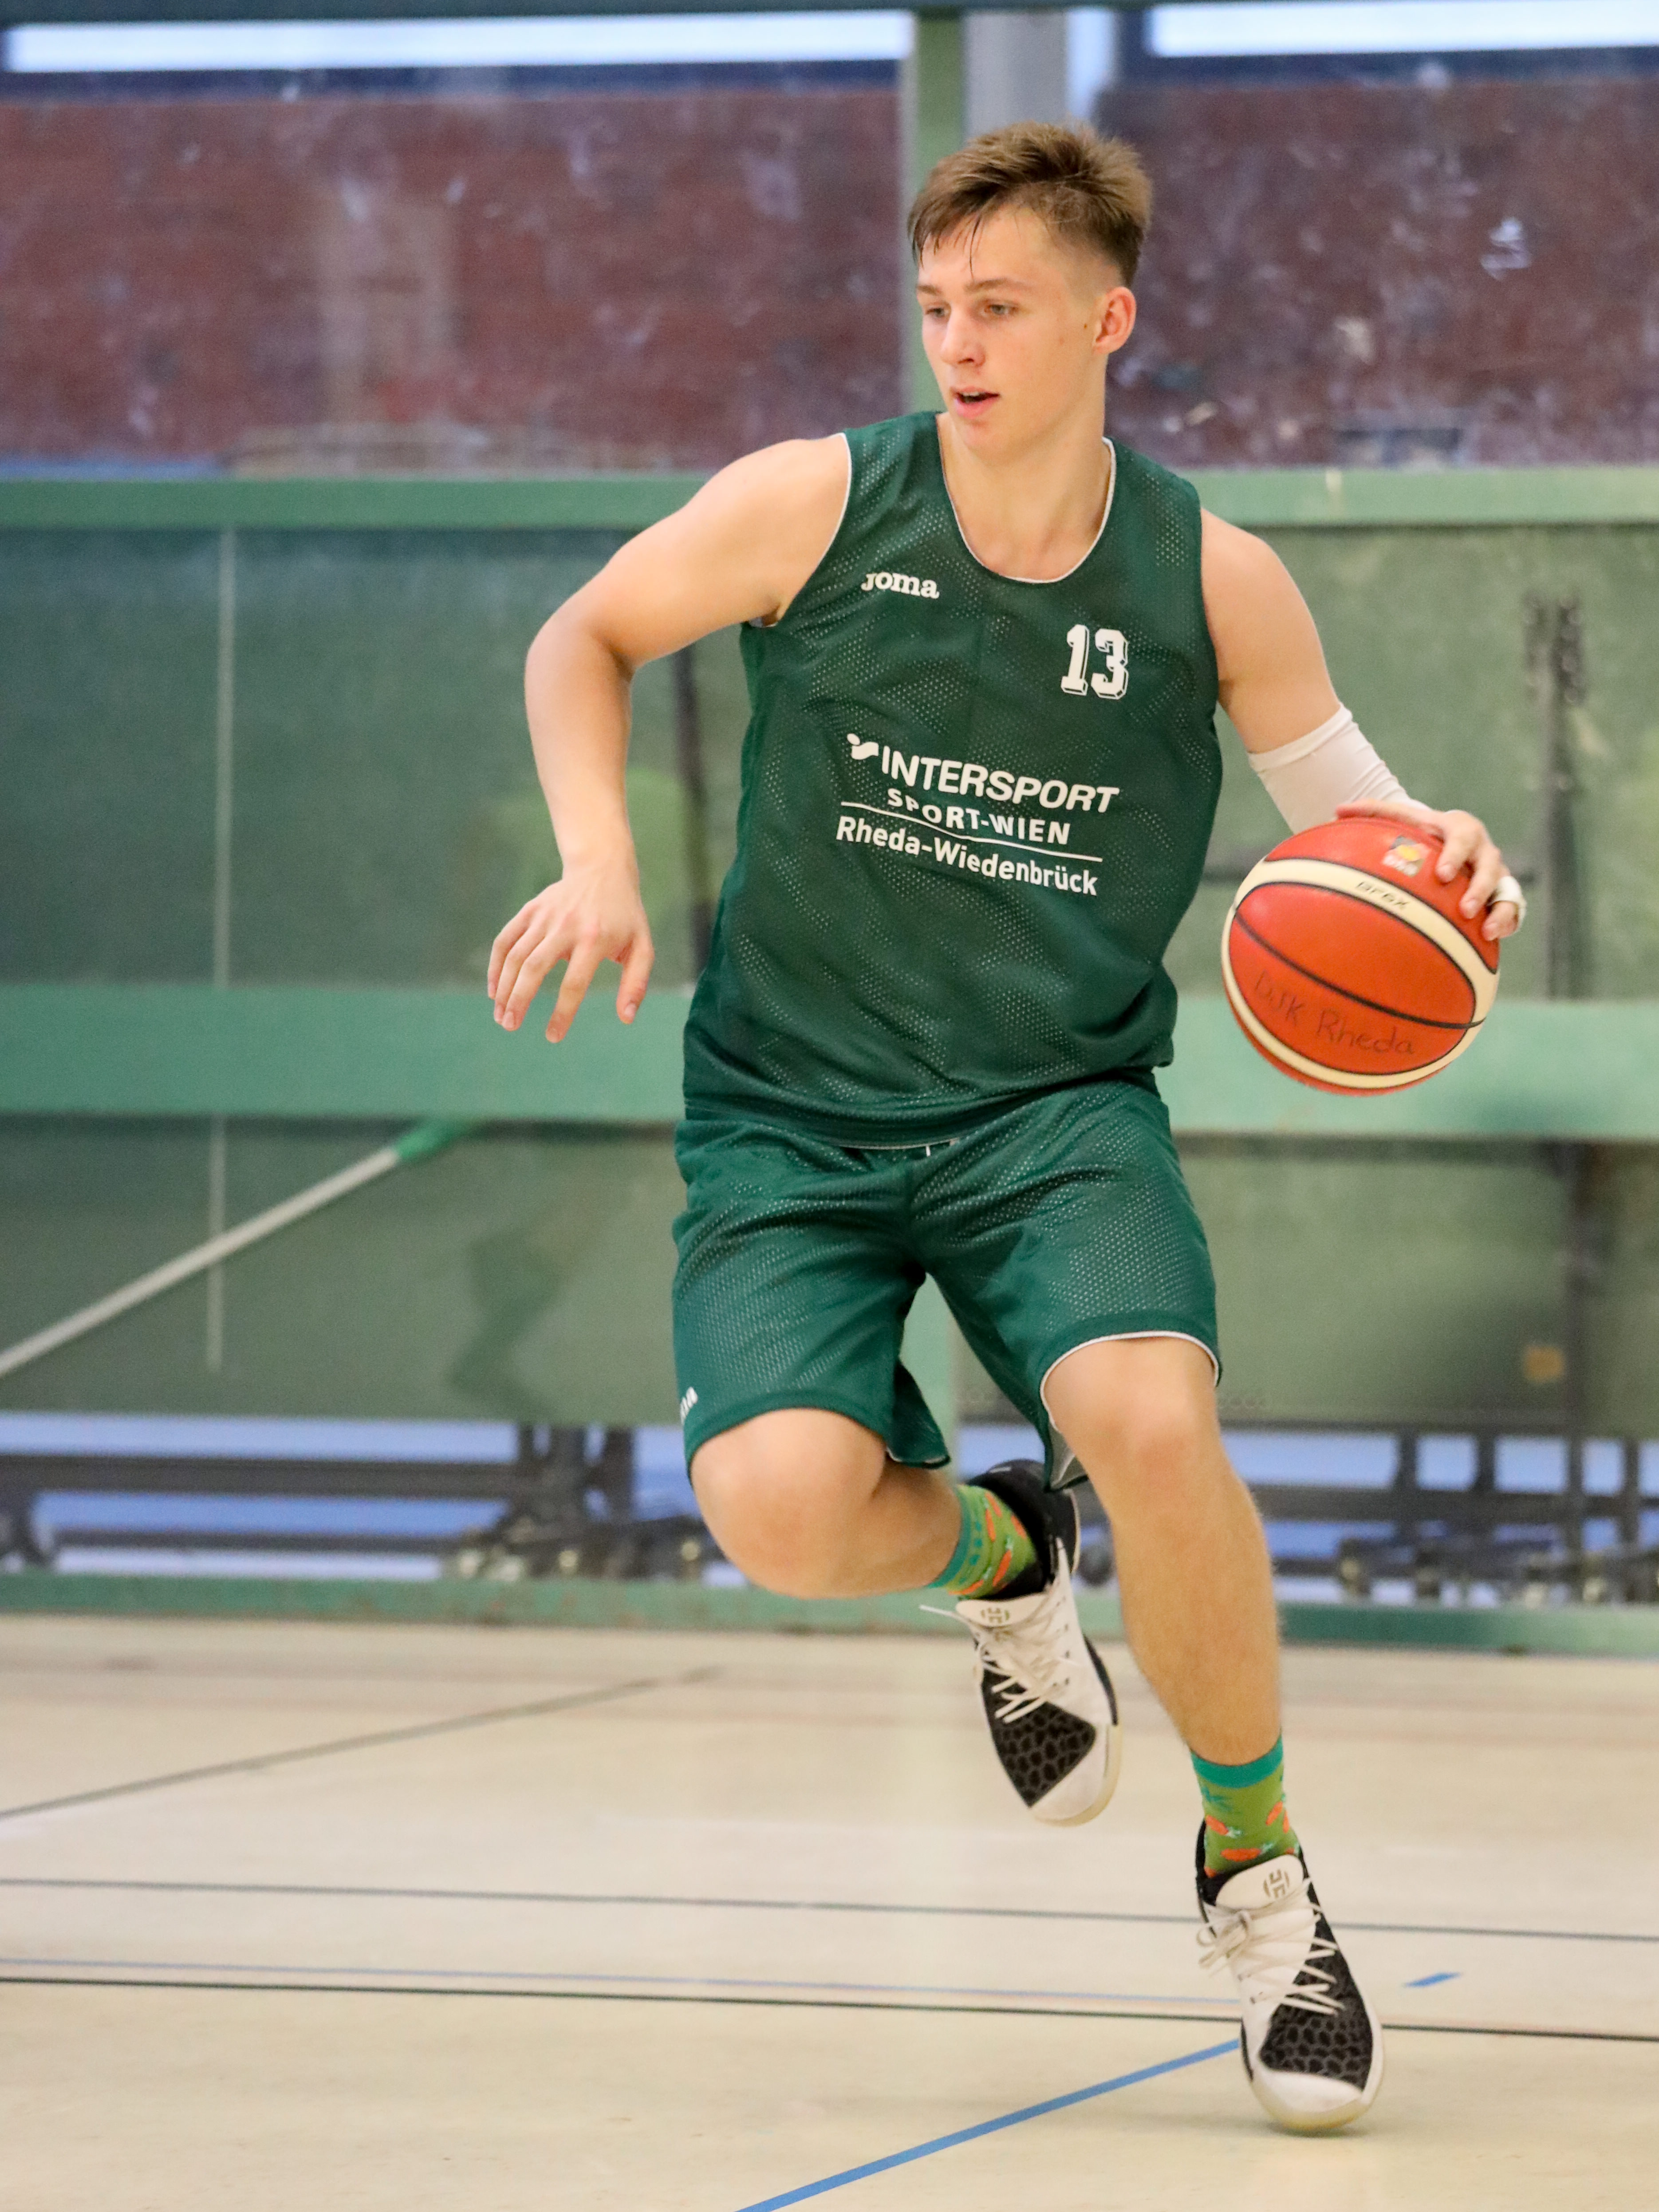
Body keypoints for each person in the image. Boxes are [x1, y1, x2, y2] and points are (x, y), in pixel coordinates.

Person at [489, 122, 1524, 2133]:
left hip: (1050, 1111)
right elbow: (580, 636)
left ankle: (1256, 1866)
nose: (957, 344)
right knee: (781, 1511)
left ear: (1105, 320)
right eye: (935, 307)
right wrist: (598, 849)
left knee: (1154, 1418)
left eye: (1001, 308)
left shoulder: (1209, 577)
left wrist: (1446, 852)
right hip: (791, 1113)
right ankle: (1001, 1547)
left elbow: (1361, 829)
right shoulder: (816, 503)